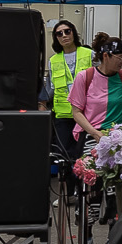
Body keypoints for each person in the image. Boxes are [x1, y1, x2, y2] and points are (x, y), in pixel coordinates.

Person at [43, 19, 94, 173]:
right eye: (59, 33)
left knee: (85, 154)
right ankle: (67, 192)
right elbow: (50, 88)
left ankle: (84, 191)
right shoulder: (53, 61)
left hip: (86, 113)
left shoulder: (89, 54)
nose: (64, 35)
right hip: (63, 114)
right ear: (56, 38)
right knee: (63, 156)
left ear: (73, 33)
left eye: (67, 31)